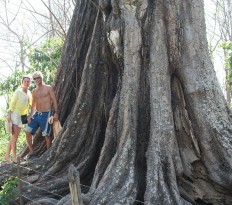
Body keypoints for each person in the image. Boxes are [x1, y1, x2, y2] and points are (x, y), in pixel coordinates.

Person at [25, 71, 58, 155]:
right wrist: (30, 116)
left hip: (46, 114)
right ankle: (31, 151)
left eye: (38, 77)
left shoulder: (48, 88)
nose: (36, 79)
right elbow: (33, 106)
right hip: (37, 114)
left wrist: (56, 113)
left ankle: (47, 154)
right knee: (27, 131)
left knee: (46, 135)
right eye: (34, 78)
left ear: (41, 78)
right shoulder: (34, 91)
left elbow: (54, 100)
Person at [4, 75, 32, 163]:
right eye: (25, 81)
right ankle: (14, 157)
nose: (27, 83)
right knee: (15, 135)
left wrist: (30, 116)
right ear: (22, 82)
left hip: (23, 116)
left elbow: (31, 104)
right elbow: (12, 104)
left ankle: (7, 155)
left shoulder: (29, 93)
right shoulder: (18, 91)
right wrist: (9, 115)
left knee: (15, 136)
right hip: (15, 114)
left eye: (28, 81)